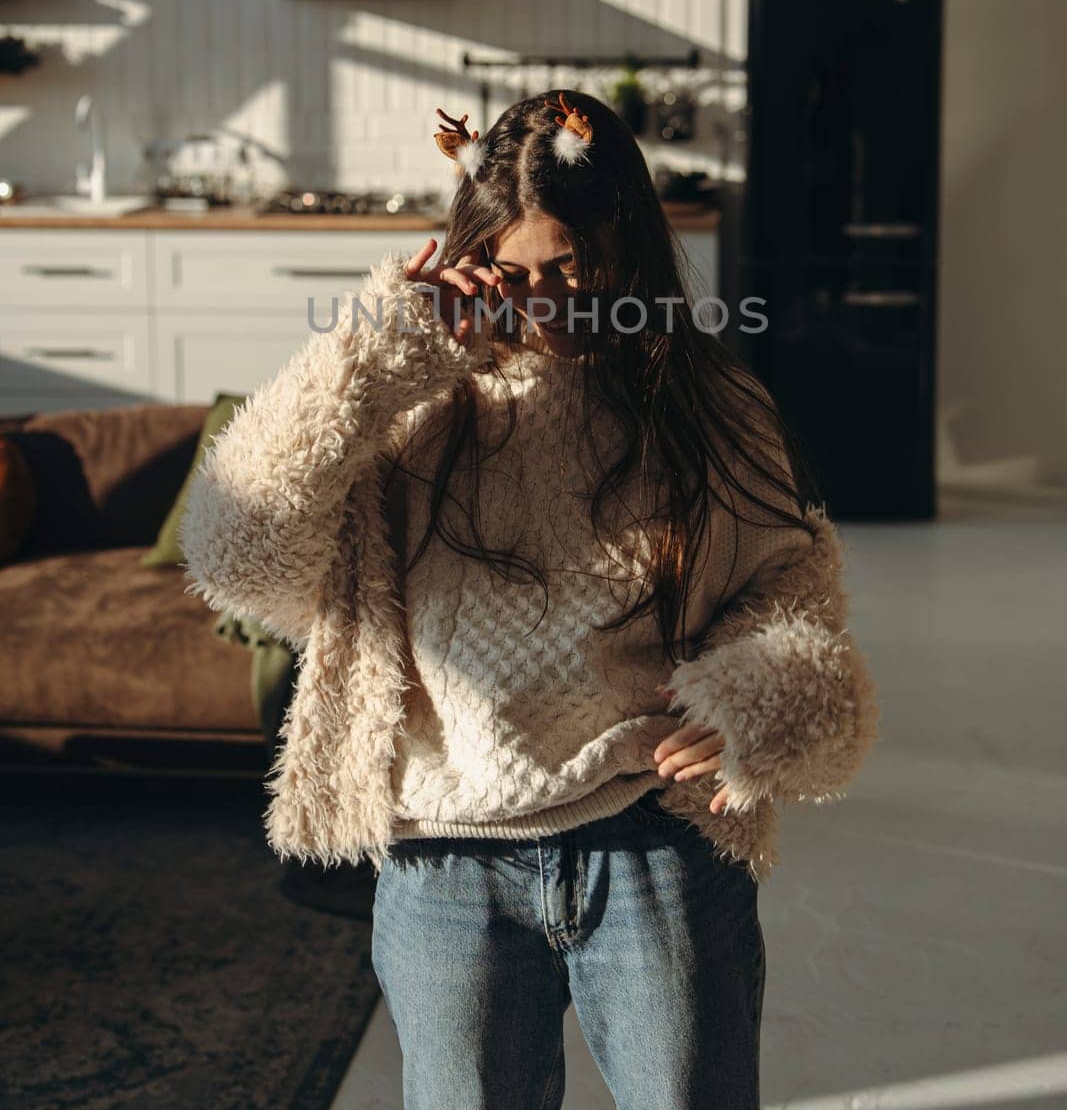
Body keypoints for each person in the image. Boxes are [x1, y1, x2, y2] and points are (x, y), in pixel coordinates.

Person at [179, 89, 880, 1110]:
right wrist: (368, 360)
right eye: (513, 273)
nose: (545, 299)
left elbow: (791, 586)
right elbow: (234, 551)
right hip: (444, 863)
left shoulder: (710, 401)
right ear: (470, 253)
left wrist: (754, 700)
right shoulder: (408, 399)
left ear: (623, 251)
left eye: (572, 268)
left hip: (653, 847)